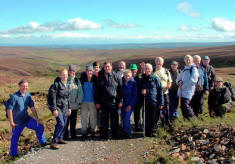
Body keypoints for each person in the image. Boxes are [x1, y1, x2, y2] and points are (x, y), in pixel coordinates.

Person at [7, 79, 47, 157]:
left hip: (27, 119)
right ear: (19, 86)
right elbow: (9, 110)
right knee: (15, 138)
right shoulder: (14, 97)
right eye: (23, 86)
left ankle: (43, 142)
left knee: (39, 126)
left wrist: (37, 118)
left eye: (26, 86)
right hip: (17, 123)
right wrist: (11, 122)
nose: (25, 88)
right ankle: (14, 154)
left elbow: (32, 107)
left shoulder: (28, 95)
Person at [95, 61, 123, 139]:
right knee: (104, 120)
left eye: (108, 66)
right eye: (105, 67)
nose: (107, 68)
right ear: (103, 68)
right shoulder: (100, 77)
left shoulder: (116, 77)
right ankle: (104, 135)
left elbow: (120, 90)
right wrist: (97, 102)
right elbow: (97, 91)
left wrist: (120, 101)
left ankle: (115, 135)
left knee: (114, 120)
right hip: (104, 102)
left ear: (111, 67)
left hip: (114, 102)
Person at [49, 68, 71, 149]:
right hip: (58, 107)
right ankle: (54, 141)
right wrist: (54, 109)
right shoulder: (56, 84)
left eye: (66, 74)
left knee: (64, 124)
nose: (65, 76)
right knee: (61, 123)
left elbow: (68, 98)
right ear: (60, 75)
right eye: (63, 74)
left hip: (65, 107)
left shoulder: (67, 84)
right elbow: (52, 98)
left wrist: (69, 108)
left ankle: (60, 138)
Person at [141, 63, 164, 137]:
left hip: (155, 102)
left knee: (154, 118)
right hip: (146, 102)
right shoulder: (143, 79)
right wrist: (142, 91)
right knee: (147, 117)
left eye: (148, 68)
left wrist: (161, 103)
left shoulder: (155, 79)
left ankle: (153, 131)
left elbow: (160, 91)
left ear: (151, 70)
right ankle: (147, 132)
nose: (147, 70)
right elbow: (139, 89)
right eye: (146, 68)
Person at [176, 55, 199, 119]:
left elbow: (194, 80)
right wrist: (179, 82)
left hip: (188, 91)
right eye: (186, 59)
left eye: (189, 59)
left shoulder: (193, 69)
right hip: (182, 91)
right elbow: (178, 79)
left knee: (186, 105)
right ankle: (186, 119)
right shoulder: (184, 69)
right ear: (184, 60)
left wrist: (185, 86)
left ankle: (193, 118)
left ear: (191, 60)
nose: (187, 60)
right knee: (182, 106)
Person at [64, 64, 83, 140]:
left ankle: (73, 135)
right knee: (66, 122)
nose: (72, 72)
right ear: (68, 72)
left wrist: (77, 102)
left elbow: (80, 92)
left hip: (74, 105)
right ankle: (65, 136)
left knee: (73, 121)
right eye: (71, 71)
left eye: (74, 71)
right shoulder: (65, 80)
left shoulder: (77, 81)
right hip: (66, 106)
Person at [80, 65, 98, 138]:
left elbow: (97, 91)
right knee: (84, 117)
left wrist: (97, 101)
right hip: (84, 101)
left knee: (93, 117)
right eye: (88, 71)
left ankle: (93, 131)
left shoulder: (95, 79)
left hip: (93, 101)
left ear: (92, 71)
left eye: (90, 71)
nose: (89, 72)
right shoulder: (82, 78)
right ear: (86, 71)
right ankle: (84, 132)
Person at [154, 57, 172, 127]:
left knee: (166, 109)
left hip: (165, 93)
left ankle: (166, 123)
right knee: (156, 109)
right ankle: (155, 124)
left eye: (160, 61)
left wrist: (166, 87)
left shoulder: (166, 71)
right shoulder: (152, 70)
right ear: (155, 62)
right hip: (155, 94)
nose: (158, 62)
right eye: (157, 61)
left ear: (162, 63)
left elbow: (170, 82)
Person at [121, 69, 137, 138]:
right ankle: (124, 131)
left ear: (131, 76)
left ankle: (128, 133)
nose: (127, 77)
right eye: (126, 76)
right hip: (123, 103)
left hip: (130, 103)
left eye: (129, 76)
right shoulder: (121, 81)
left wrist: (130, 105)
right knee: (123, 117)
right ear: (123, 75)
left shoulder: (133, 83)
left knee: (127, 117)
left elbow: (135, 95)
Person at [130, 63, 144, 132]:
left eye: (134, 70)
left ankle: (136, 126)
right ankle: (127, 126)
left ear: (137, 70)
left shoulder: (139, 78)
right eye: (132, 70)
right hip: (130, 99)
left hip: (138, 99)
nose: (133, 71)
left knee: (137, 113)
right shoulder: (128, 78)